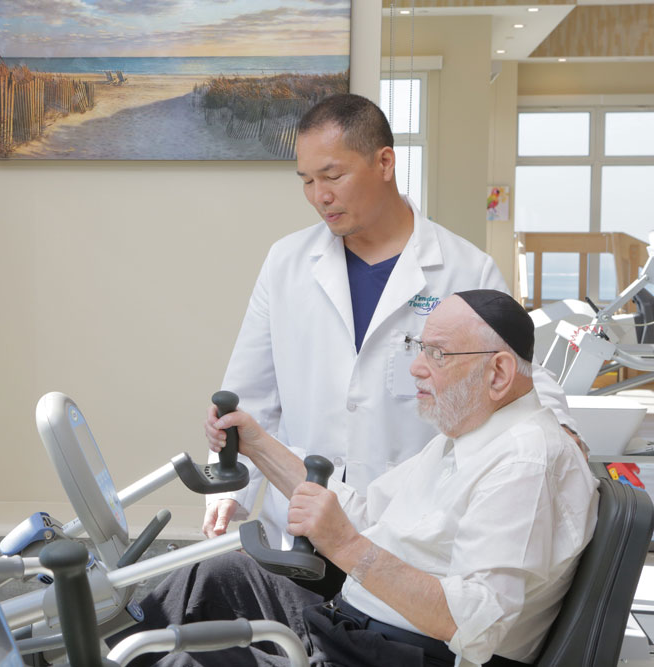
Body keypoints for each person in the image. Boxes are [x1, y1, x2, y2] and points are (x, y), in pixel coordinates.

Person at [203, 94, 583, 561]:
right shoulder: (286, 263)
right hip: (297, 527)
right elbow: (251, 395)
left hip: (408, 537)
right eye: (307, 180)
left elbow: (520, 378)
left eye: (333, 175)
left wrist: (563, 433)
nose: (319, 195)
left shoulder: (465, 269)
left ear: (384, 162)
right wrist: (230, 489)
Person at [129, 290, 598, 667]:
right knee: (212, 577)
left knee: (189, 661)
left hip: (405, 653)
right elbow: (363, 513)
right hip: (358, 624)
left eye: (436, 354)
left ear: (498, 372)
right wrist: (256, 444)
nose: (416, 366)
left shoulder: (524, 462)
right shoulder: (464, 436)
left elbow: (474, 620)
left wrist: (347, 547)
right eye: (419, 348)